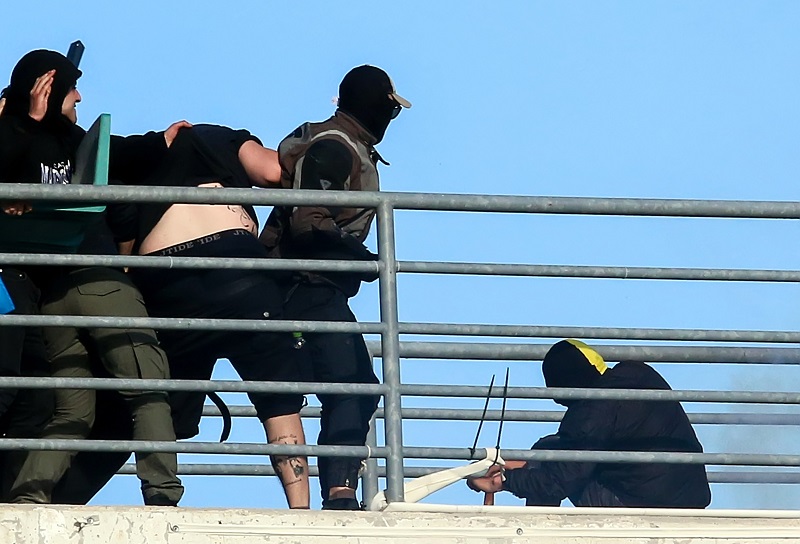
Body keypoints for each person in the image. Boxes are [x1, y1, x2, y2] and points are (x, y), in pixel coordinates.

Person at [0, 49, 185, 506]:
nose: (79, 97)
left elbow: (113, 153)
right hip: (94, 282)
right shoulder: (14, 134)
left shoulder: (68, 140)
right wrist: (30, 119)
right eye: (71, 89)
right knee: (147, 388)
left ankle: (28, 497)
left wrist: (160, 141)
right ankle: (163, 493)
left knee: (71, 410)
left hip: (53, 294)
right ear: (47, 88)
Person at [118, 123, 312, 509]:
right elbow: (275, 171)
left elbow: (121, 233)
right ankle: (301, 510)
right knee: (279, 401)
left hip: (169, 280)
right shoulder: (213, 137)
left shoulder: (136, 156)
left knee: (161, 404)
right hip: (239, 270)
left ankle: (160, 500)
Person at [259, 65, 411, 510]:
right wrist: (361, 258)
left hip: (308, 285)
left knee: (354, 385)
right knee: (351, 384)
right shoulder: (334, 147)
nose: (390, 120)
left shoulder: (343, 143)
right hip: (303, 285)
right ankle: (340, 494)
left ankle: (339, 489)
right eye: (389, 110)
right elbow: (309, 222)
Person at [467, 339, 712, 508]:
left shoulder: (591, 411)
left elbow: (558, 483)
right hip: (691, 499)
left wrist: (505, 481)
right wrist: (519, 464)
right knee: (554, 455)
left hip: (641, 505)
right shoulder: (639, 373)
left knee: (550, 454)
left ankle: (534, 534)